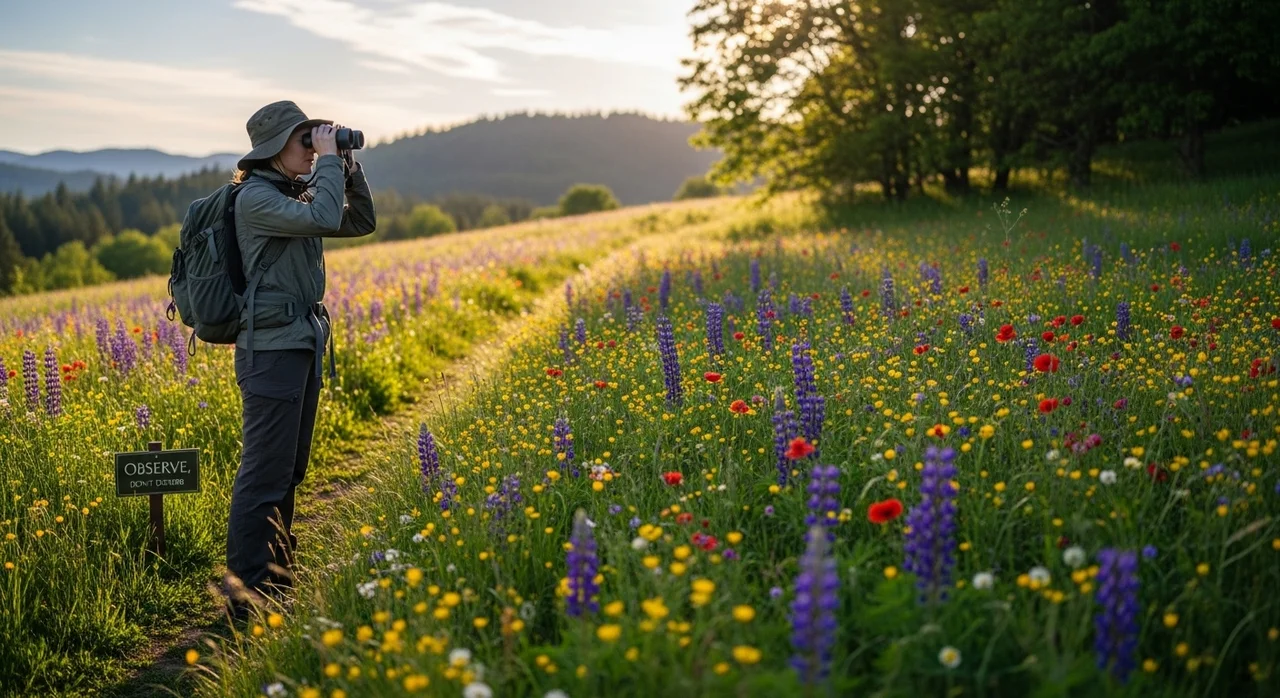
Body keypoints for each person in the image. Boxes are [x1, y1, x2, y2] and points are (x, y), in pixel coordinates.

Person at [223, 100, 376, 617]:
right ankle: (245, 598)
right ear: (272, 150)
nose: (312, 151)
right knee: (263, 474)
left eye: (314, 139)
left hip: (299, 342)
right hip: (270, 350)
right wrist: (330, 162)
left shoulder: (293, 196)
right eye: (303, 141)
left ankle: (278, 581)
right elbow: (326, 215)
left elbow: (358, 223)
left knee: (287, 471)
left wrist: (346, 166)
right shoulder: (257, 200)